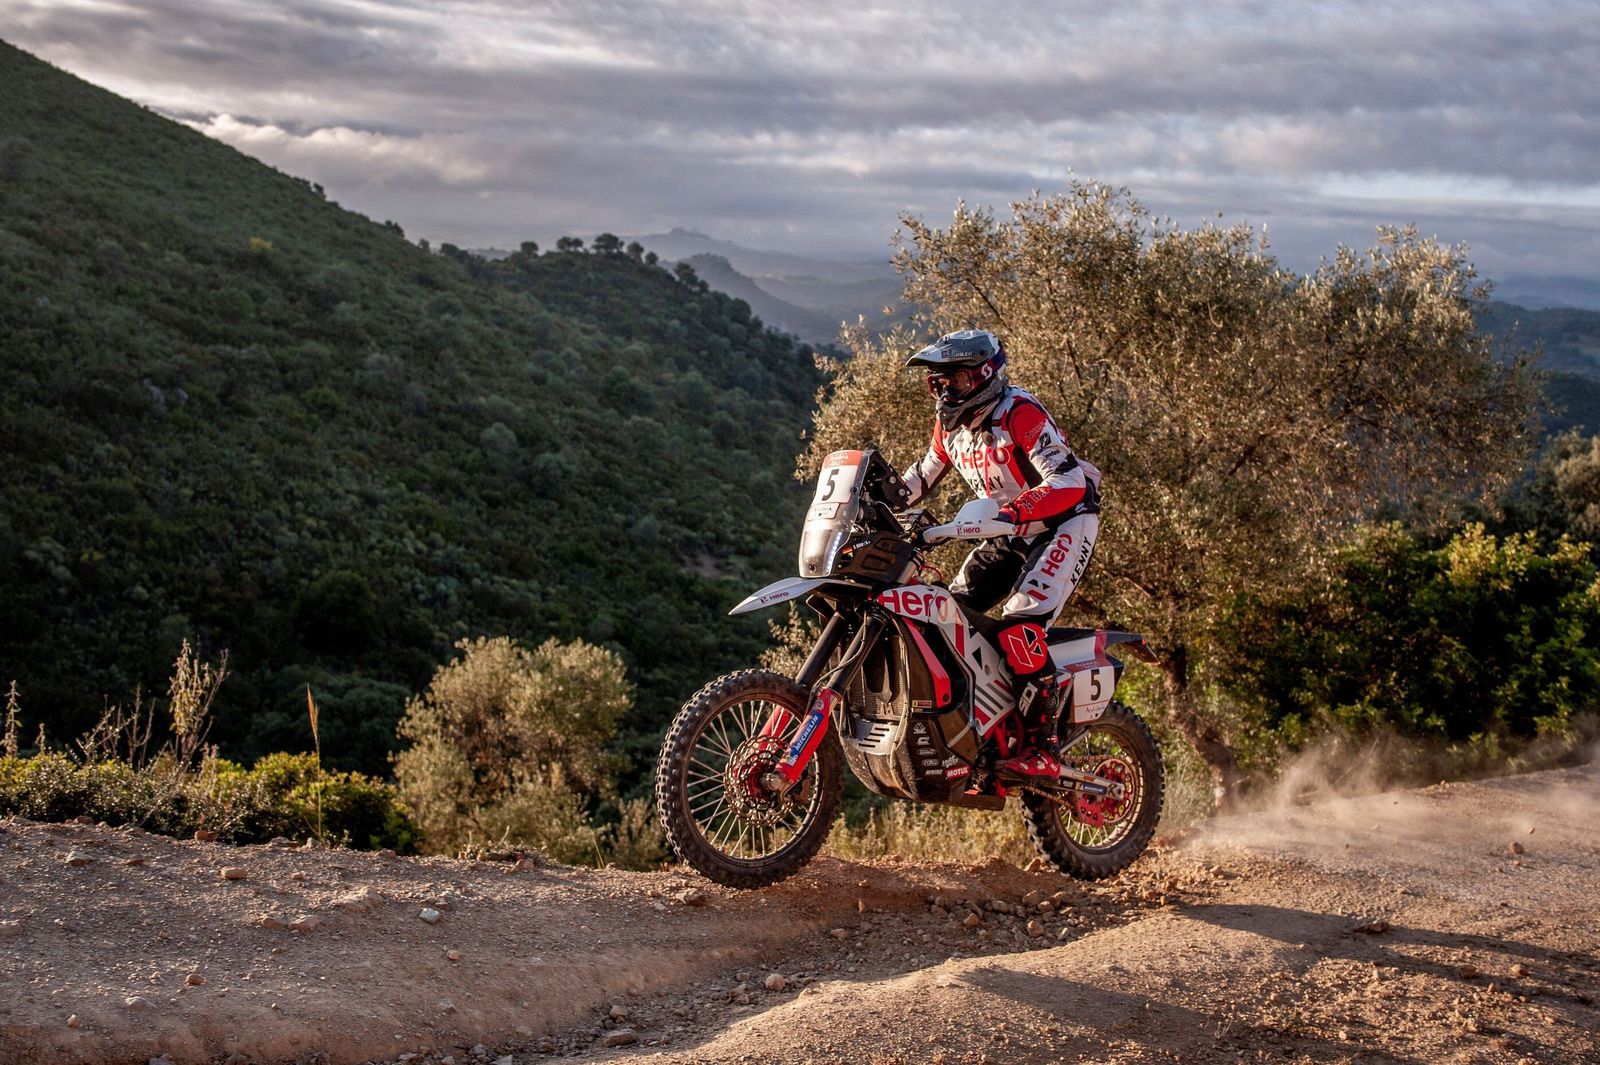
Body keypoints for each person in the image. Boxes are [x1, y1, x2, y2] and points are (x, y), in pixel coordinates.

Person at [900, 329, 1101, 782]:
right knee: (948, 620)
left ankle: (1046, 747)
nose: (947, 391)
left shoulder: (1020, 412)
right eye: (939, 383)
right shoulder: (949, 428)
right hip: (1006, 530)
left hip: (1062, 523)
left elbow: (1068, 482)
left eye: (958, 380)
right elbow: (919, 479)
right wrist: (875, 500)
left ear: (986, 375)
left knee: (1020, 626)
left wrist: (1013, 512)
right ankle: (987, 725)